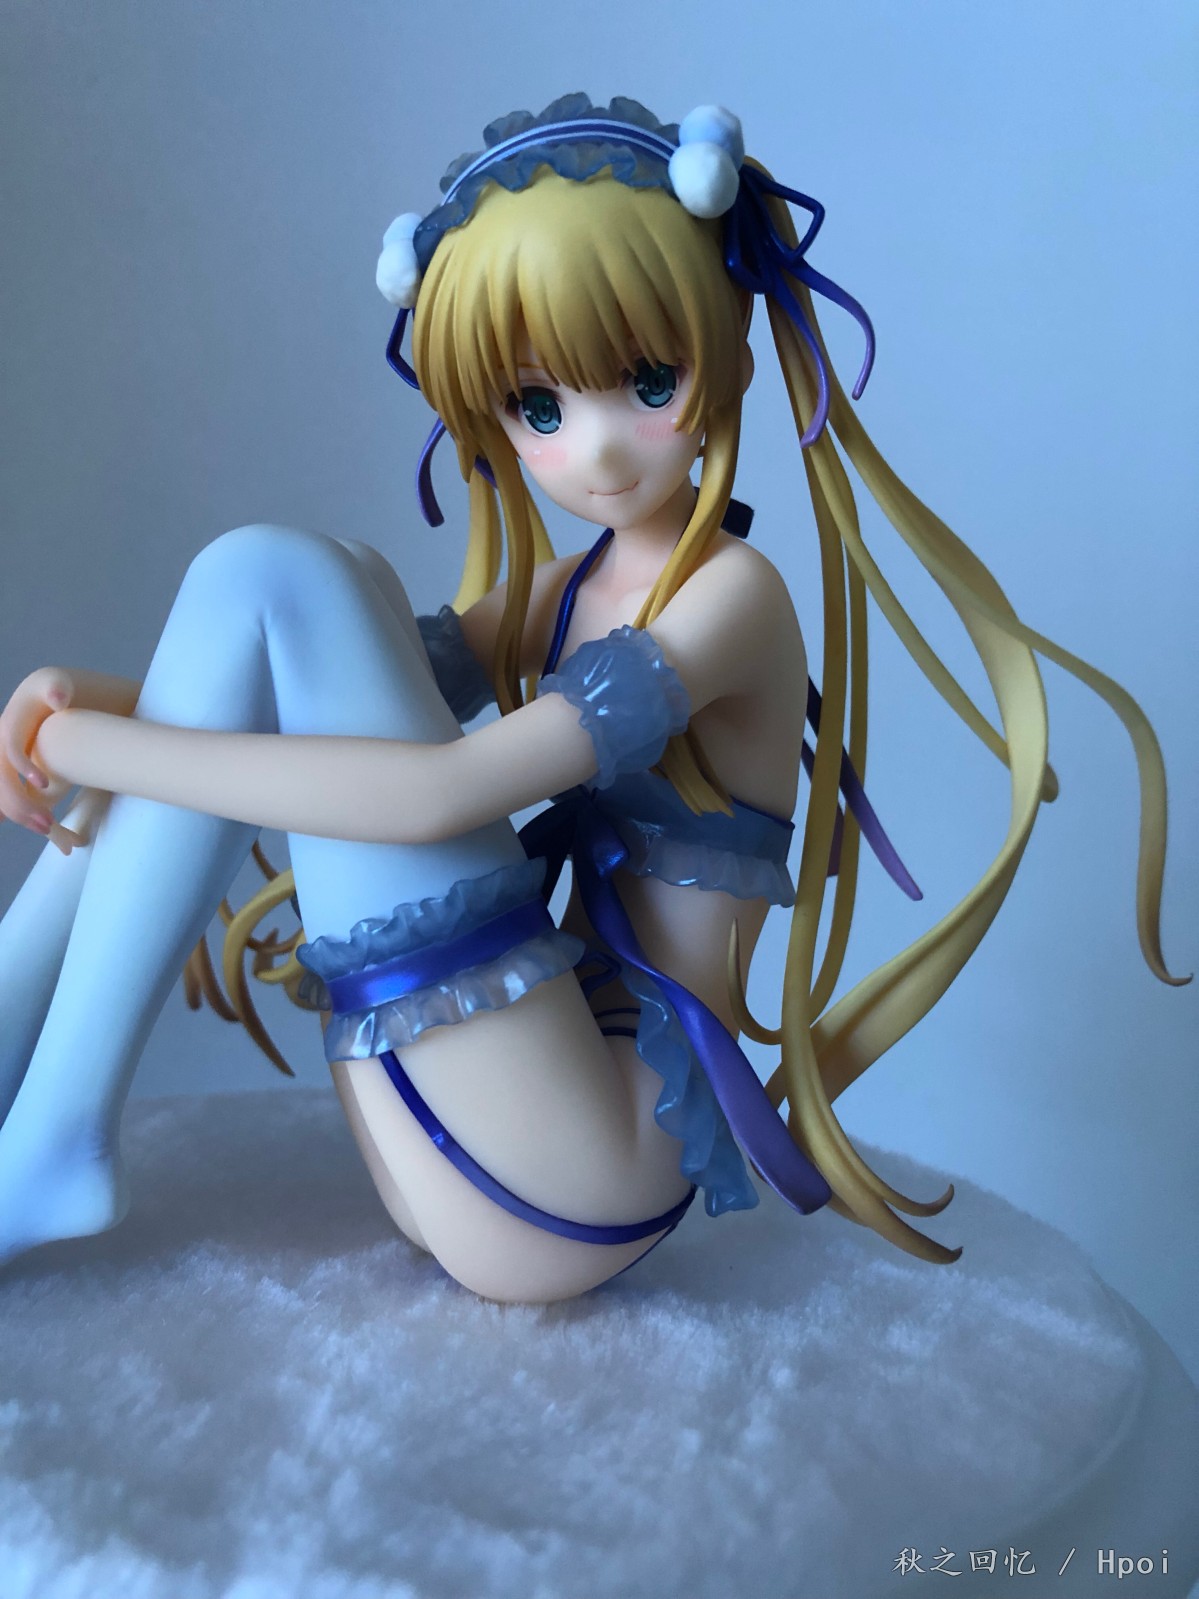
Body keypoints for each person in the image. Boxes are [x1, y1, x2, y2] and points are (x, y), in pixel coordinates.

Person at [0, 94, 1183, 1305]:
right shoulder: (568, 587)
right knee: (294, 581)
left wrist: (95, 746)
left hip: (586, 1169)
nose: (600, 447)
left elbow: (432, 796)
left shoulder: (728, 600)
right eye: (540, 409)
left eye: (647, 381)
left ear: (721, 350)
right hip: (476, 1122)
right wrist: (92, 712)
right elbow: (295, 701)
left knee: (282, 573)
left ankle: (53, 1137)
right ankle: (27, 1096)